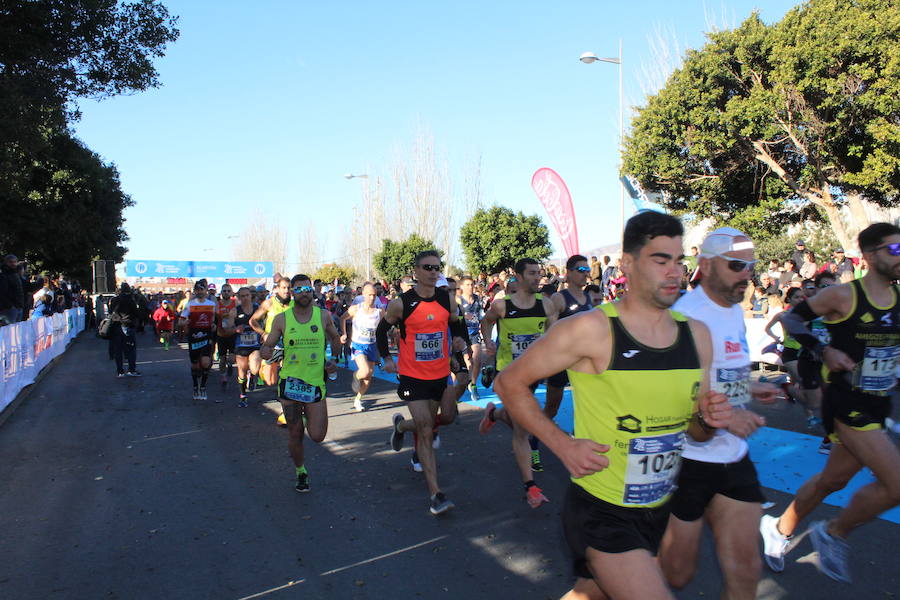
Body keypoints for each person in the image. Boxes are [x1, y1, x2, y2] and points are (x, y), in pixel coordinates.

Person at [493, 211, 733, 600]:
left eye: (679, 261)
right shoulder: (591, 330)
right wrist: (563, 445)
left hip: (659, 504)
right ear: (627, 265)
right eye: (660, 260)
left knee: (590, 594)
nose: (674, 272)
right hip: (602, 509)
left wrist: (708, 419)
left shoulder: (698, 337)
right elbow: (509, 382)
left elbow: (697, 430)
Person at [760, 222, 900, 584]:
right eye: (894, 250)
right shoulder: (844, 296)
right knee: (898, 484)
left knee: (832, 481)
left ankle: (778, 528)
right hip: (845, 403)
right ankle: (833, 533)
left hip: (877, 403)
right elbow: (792, 318)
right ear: (869, 256)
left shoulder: (898, 299)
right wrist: (825, 350)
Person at [658, 228, 783, 600]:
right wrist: (726, 418)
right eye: (737, 265)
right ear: (707, 265)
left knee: (746, 571)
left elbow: (719, 376)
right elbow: (664, 397)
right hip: (686, 460)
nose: (747, 273)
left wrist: (747, 389)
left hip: (733, 458)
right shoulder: (683, 316)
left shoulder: (732, 312)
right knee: (677, 575)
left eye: (751, 266)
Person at [377, 250, 469, 515]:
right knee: (427, 430)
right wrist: (386, 358)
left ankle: (402, 426)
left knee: (448, 417)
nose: (433, 272)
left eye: (437, 267)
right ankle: (436, 495)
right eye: (428, 267)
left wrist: (459, 340)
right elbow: (382, 330)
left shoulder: (446, 299)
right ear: (416, 271)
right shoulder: (401, 303)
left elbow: (457, 322)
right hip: (413, 376)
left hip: (440, 373)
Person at [479, 257, 558, 507]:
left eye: (540, 273)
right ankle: (531, 487)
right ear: (520, 277)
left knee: (516, 420)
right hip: (508, 374)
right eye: (533, 273)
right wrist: (488, 342)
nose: (538, 278)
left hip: (532, 373)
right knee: (522, 428)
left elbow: (553, 336)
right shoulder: (503, 305)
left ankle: (494, 415)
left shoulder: (546, 305)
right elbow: (486, 320)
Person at [260, 274, 341, 492]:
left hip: (315, 384)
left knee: (317, 435)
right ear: (292, 293)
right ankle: (300, 472)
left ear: (312, 292)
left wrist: (334, 360)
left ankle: (308, 416)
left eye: (307, 289)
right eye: (298, 289)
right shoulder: (282, 319)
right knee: (295, 433)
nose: (303, 293)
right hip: (290, 385)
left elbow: (335, 337)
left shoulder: (323, 316)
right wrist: (268, 352)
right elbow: (267, 348)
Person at [530, 254, 601, 473]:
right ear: (568, 273)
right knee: (552, 407)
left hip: (583, 363)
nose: (585, 273)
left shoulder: (589, 299)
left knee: (588, 406)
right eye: (580, 269)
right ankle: (533, 443)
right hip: (561, 362)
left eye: (587, 269)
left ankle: (583, 448)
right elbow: (548, 332)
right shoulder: (560, 299)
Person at [340, 283, 384, 412]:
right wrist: (344, 334)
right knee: (364, 371)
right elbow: (342, 318)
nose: (372, 297)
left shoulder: (380, 311)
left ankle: (358, 399)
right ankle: (356, 375)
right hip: (358, 344)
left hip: (372, 345)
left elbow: (383, 327)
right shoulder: (356, 308)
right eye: (369, 295)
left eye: (374, 295)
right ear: (363, 295)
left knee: (369, 375)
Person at [250, 277, 292, 388]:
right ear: (277, 288)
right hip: (272, 343)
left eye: (289, 288)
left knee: (288, 376)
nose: (286, 290)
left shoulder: (294, 304)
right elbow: (252, 321)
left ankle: (284, 394)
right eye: (283, 288)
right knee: (270, 381)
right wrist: (263, 334)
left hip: (290, 343)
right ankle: (260, 369)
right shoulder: (269, 303)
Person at [179, 279, 217, 401]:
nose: (200, 291)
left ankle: (203, 387)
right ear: (195, 291)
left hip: (207, 336)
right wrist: (186, 321)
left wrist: (214, 325)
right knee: (195, 364)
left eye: (202, 289)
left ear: (206, 291)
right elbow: (180, 321)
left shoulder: (211, 305)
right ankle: (195, 386)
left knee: (206, 362)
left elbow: (216, 320)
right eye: (198, 289)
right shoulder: (190, 304)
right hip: (194, 337)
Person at [233, 286, 262, 407]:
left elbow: (266, 323)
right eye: (242, 296)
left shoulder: (258, 309)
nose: (245, 298)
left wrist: (263, 333)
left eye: (247, 295)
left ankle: (253, 375)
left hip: (255, 344)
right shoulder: (235, 311)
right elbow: (227, 327)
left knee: (255, 367)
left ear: (251, 296)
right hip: (241, 345)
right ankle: (243, 396)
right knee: (242, 371)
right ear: (239, 298)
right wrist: (235, 329)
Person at [458, 275, 485, 399]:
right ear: (462, 286)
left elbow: (481, 317)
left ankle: (473, 385)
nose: (470, 287)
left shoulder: (477, 299)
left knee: (477, 359)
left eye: (472, 284)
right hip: (462, 335)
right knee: (468, 362)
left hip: (474, 334)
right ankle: (460, 387)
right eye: (467, 284)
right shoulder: (458, 301)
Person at [108, 282, 141, 378]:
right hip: (128, 326)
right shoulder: (130, 300)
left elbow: (111, 312)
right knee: (131, 349)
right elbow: (136, 313)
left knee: (118, 350)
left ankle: (120, 371)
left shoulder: (114, 300)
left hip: (116, 327)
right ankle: (131, 370)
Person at [215, 283, 237, 386]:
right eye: (224, 291)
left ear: (232, 292)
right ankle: (223, 376)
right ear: (221, 293)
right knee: (222, 359)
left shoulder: (236, 303)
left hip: (232, 334)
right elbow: (213, 318)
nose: (226, 293)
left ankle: (230, 365)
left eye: (228, 291)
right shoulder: (217, 304)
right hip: (221, 334)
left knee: (232, 358)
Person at [0, 254, 24, 325]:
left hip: (18, 307)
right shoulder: (3, 275)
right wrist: (10, 306)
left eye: (14, 262)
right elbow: (2, 292)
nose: (13, 264)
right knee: (8, 332)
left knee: (16, 332)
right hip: (9, 309)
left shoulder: (16, 274)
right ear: (6, 263)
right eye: (10, 262)